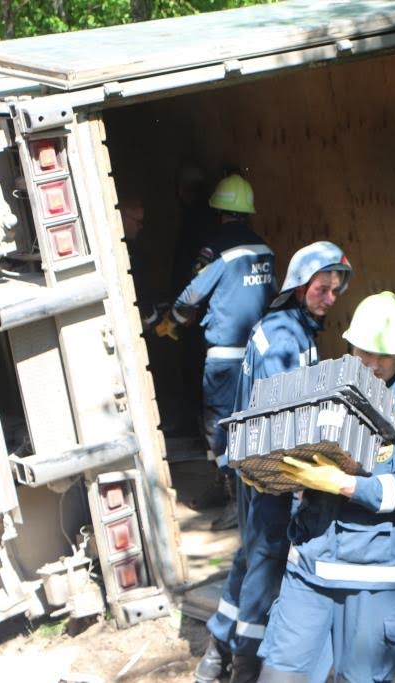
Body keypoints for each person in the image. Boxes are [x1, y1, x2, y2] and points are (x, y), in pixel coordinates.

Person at [256, 291, 395, 683]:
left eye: (382, 356)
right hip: (310, 567)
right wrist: (270, 471)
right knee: (280, 675)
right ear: (350, 345)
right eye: (363, 353)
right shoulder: (326, 395)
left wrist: (346, 485)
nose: (371, 365)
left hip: (373, 581)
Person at [196, 241, 352, 683]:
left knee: (251, 555)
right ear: (300, 286)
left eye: (335, 290)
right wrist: (305, 472)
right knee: (266, 559)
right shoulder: (285, 336)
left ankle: (215, 652)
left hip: (257, 463)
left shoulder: (289, 327)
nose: (330, 298)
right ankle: (245, 664)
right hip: (269, 470)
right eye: (323, 288)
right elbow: (283, 414)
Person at [156, 174, 275, 529]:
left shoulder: (216, 250)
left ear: (219, 213)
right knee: (252, 423)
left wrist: (173, 320)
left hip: (224, 356)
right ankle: (236, 490)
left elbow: (192, 294)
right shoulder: (264, 249)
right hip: (258, 355)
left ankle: (235, 498)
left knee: (218, 427)